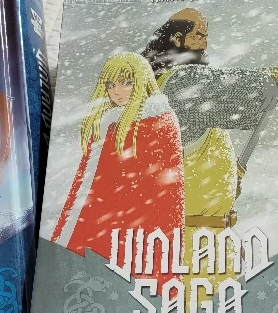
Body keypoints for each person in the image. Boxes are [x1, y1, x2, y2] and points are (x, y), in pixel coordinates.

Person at [141, 8, 278, 297]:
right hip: (192, 250)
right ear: (177, 38)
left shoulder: (159, 86)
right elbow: (246, 95)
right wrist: (275, 80)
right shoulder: (180, 82)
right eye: (198, 35)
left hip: (200, 242)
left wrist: (222, 181)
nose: (204, 43)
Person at [51, 52, 184, 291]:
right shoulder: (106, 124)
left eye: (126, 82)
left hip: (134, 226)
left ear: (142, 81)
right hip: (106, 222)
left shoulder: (157, 122)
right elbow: (86, 182)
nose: (117, 91)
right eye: (111, 85)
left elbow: (164, 192)